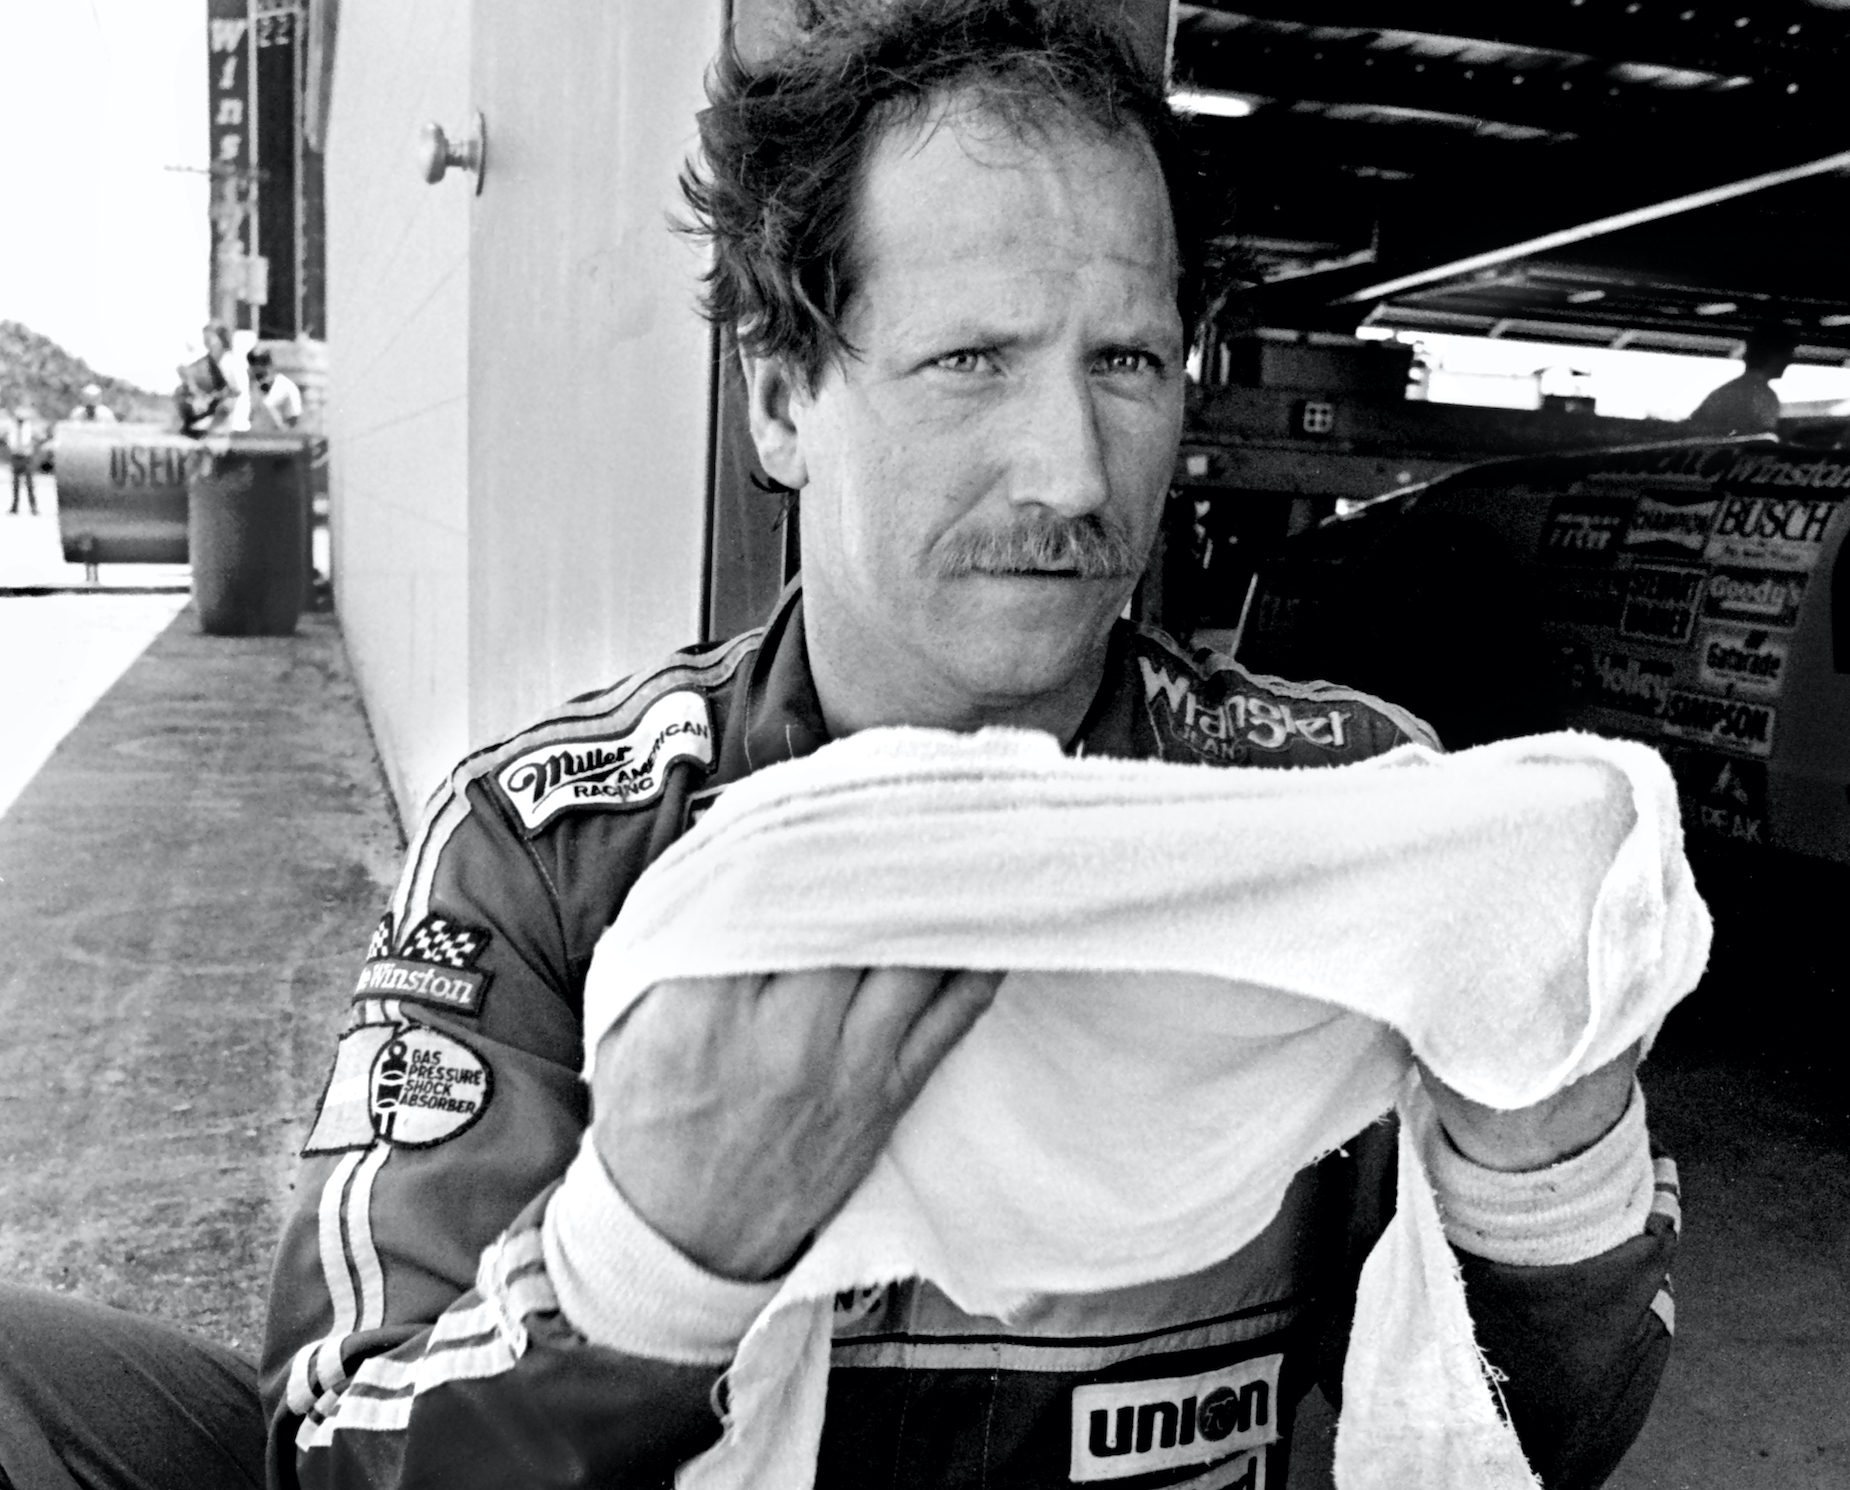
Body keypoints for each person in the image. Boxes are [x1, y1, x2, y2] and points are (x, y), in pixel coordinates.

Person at [0, 5, 1675, 1489]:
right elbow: (330, 1448)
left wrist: (1547, 1186)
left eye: (1129, 365)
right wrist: (660, 1259)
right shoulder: (563, 842)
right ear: (782, 399)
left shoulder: (1348, 819)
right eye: (969, 363)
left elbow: (1520, 1433)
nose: (1077, 477)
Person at [1686, 327, 1794, 434]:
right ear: (1775, 357)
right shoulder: (1765, 396)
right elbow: (1763, 442)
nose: (1788, 363)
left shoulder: (1721, 392)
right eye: (1787, 356)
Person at [245, 348, 303, 431]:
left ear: (270, 365)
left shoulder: (287, 388)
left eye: (262, 363)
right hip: (254, 438)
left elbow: (294, 423)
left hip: (277, 439)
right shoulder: (252, 386)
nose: (257, 369)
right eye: (252, 363)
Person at [6, 406, 38, 515]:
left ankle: (33, 507)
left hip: (26, 457)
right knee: (15, 484)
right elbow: (10, 441)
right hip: (15, 457)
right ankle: (14, 507)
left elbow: (32, 441)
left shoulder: (29, 428)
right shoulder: (12, 428)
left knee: (29, 484)